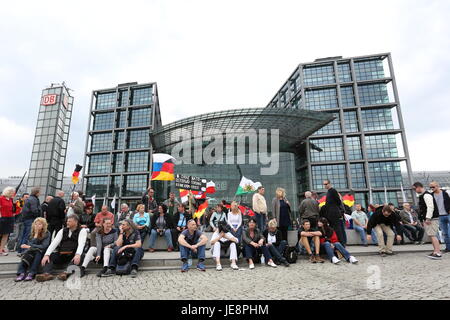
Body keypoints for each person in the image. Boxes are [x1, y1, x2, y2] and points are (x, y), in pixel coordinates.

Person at [37, 215, 88, 282]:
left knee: (81, 256)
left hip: (74, 255)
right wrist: (47, 254)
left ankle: (66, 273)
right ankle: (47, 274)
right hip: (62, 254)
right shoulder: (62, 231)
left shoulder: (82, 231)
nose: (67, 223)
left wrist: (78, 254)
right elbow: (54, 243)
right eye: (67, 221)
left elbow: (81, 244)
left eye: (69, 221)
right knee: (50, 256)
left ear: (76, 222)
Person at [412, 182, 442, 259]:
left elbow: (430, 207)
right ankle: (436, 251)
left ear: (418, 187)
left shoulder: (426, 195)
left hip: (431, 218)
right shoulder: (425, 195)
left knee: (432, 235)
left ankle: (437, 252)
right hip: (429, 218)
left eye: (415, 189)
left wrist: (428, 218)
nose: (415, 190)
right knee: (431, 235)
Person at [18, 187, 42, 254]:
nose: (40, 193)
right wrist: (38, 217)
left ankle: (20, 249)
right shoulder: (33, 199)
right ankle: (23, 250)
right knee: (28, 235)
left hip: (27, 218)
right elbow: (34, 210)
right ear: (37, 193)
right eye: (39, 192)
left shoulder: (30, 199)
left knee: (24, 234)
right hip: (30, 219)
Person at [321, 180, 346, 246]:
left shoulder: (333, 190)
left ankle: (341, 244)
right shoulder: (329, 192)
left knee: (337, 229)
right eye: (324, 184)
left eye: (326, 184)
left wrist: (334, 208)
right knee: (332, 229)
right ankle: (335, 242)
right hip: (330, 214)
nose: (325, 185)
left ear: (330, 184)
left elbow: (338, 201)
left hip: (334, 213)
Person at [430, 181, 450, 253]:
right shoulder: (431, 195)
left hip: (448, 214)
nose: (432, 188)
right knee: (445, 233)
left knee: (449, 232)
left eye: (433, 187)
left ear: (437, 186)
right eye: (430, 187)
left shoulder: (445, 193)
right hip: (440, 216)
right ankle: (448, 248)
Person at [0, 187, 17, 256]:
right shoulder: (1, 198)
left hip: (10, 218)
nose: (13, 194)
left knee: (6, 235)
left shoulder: (11, 199)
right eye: (12, 192)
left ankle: (1, 249)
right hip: (2, 218)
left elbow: (13, 209)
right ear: (8, 192)